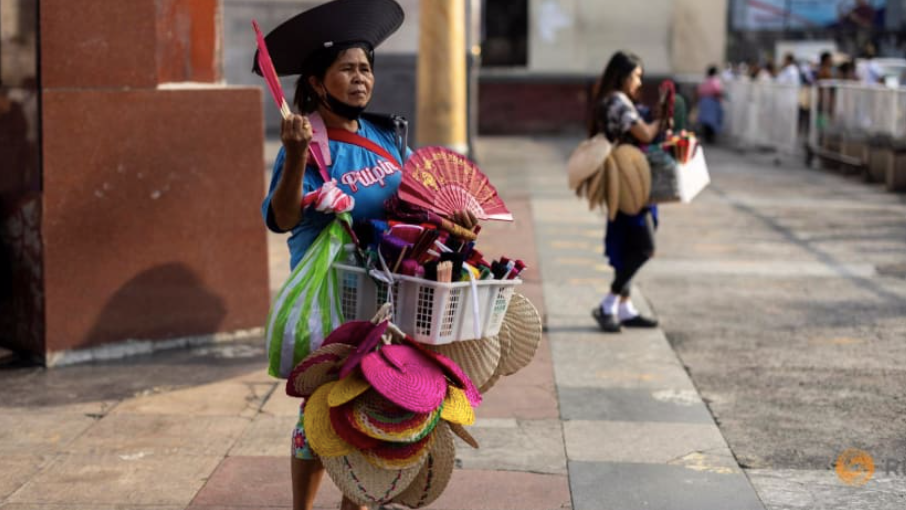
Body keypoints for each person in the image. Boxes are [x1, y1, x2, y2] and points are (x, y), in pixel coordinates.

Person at [255, 2, 476, 509]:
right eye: (348, 69)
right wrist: (292, 157)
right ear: (316, 81)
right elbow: (281, 218)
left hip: (389, 295)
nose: (361, 79)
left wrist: (454, 227)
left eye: (367, 68)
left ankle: (354, 504)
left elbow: (414, 210)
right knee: (320, 413)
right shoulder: (308, 142)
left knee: (374, 409)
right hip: (332, 301)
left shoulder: (385, 136)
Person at [587, 51, 663, 333]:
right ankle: (608, 303)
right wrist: (660, 121)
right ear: (623, 75)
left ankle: (624, 306)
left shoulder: (612, 100)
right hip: (628, 180)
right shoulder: (617, 101)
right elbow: (644, 134)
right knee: (644, 245)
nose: (639, 82)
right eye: (636, 76)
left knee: (631, 244)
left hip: (626, 178)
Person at [696, 65, 724, 144]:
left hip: (704, 102)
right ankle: (710, 138)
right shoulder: (715, 81)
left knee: (706, 122)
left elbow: (699, 91)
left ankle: (707, 137)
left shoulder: (705, 80)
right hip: (712, 103)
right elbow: (717, 91)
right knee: (712, 122)